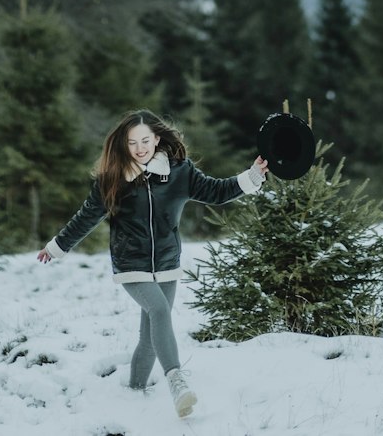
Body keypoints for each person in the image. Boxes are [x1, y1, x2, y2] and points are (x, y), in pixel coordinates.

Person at [37, 107, 267, 419]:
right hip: (131, 261)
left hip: (167, 260)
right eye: (133, 143)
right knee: (159, 311)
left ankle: (134, 390)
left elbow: (215, 191)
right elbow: (87, 216)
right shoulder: (113, 179)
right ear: (123, 145)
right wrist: (57, 246)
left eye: (145, 141)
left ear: (156, 139)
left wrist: (251, 176)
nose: (140, 148)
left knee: (149, 336)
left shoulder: (179, 172)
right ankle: (176, 380)